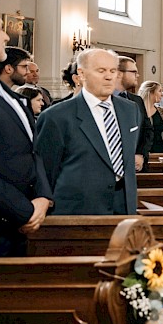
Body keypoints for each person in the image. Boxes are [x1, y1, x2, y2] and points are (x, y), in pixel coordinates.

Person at [35, 48, 142, 215]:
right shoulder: (56, 116)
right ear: (81, 73)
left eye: (113, 71)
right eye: (101, 71)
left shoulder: (130, 109)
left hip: (124, 206)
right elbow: (45, 171)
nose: (109, 76)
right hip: (78, 210)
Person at [0, 8, 52, 256]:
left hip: (16, 224)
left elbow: (32, 150)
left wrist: (43, 197)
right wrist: (23, 210)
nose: (6, 37)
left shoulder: (3, 90)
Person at [116, 56, 153, 173]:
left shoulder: (137, 100)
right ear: (119, 74)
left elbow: (147, 130)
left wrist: (140, 154)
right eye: (134, 72)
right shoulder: (105, 100)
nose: (138, 75)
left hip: (137, 166)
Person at [138, 80, 163, 153]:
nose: (162, 94)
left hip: (160, 151)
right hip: (141, 153)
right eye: (159, 91)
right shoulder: (136, 110)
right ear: (150, 92)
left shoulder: (162, 111)